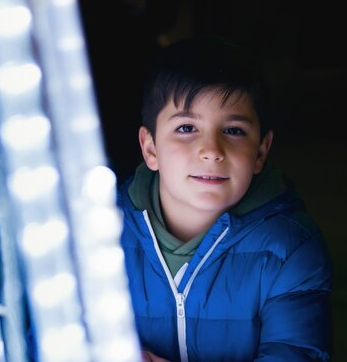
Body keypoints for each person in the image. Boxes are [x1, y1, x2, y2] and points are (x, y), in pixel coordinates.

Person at [116, 36, 333, 362]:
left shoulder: (289, 249)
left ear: (261, 151)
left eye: (233, 130)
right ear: (150, 148)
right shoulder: (100, 233)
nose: (212, 151)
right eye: (187, 128)